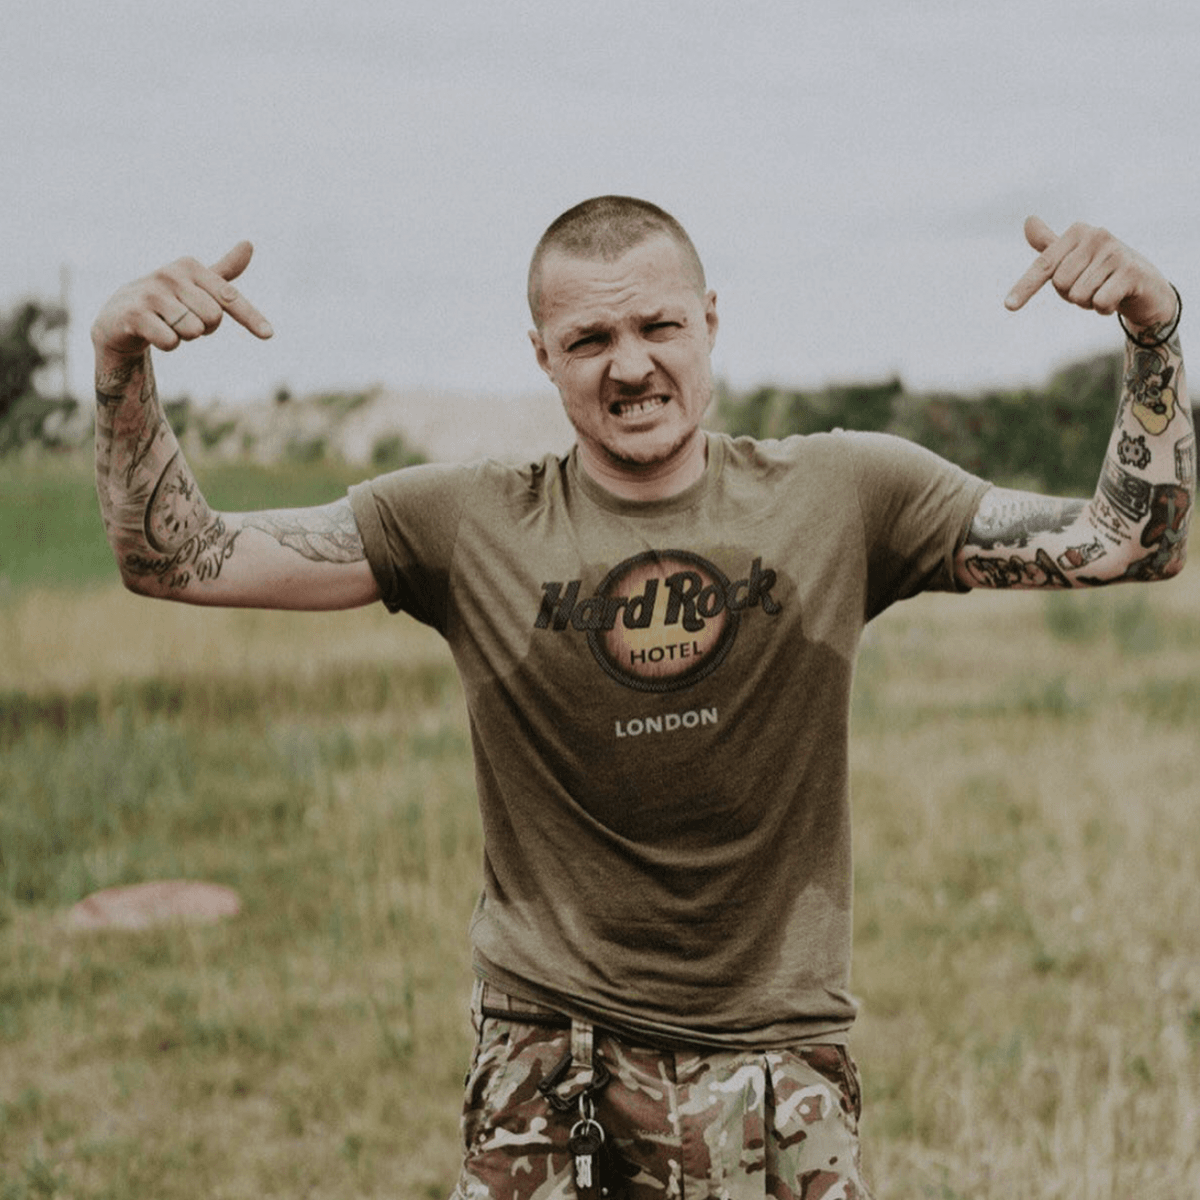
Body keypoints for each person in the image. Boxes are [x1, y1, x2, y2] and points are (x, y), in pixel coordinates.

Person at [93, 196, 1193, 1199]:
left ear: (710, 321)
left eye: (659, 326)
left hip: (773, 1064)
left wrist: (1154, 334)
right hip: (547, 1060)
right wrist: (121, 362)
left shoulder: (844, 493)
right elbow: (176, 558)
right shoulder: (466, 521)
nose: (630, 365)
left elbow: (1126, 544)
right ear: (542, 355)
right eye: (589, 340)